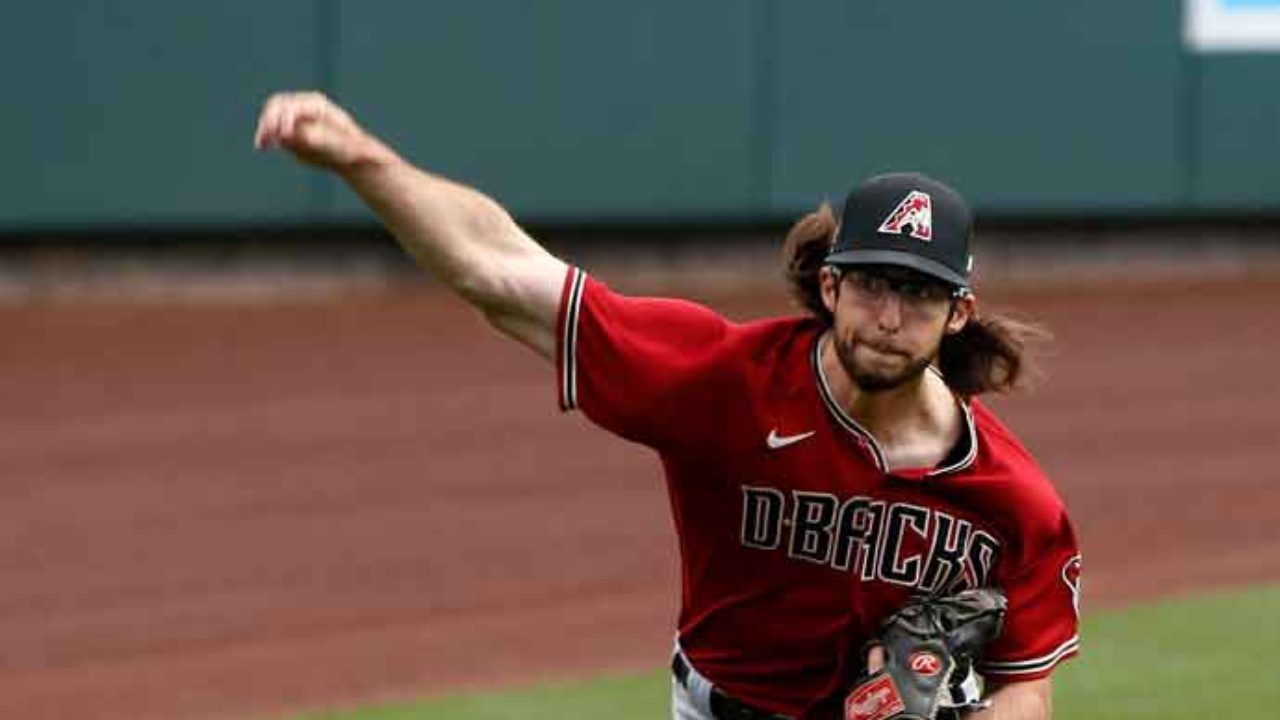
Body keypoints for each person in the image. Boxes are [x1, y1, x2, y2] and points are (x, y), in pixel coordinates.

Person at [254, 91, 1081, 720]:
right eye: (870, 285)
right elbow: (500, 273)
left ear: (959, 313)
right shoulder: (724, 380)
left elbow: (1024, 679)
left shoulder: (1013, 501)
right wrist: (358, 156)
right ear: (830, 285)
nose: (889, 318)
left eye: (917, 295)